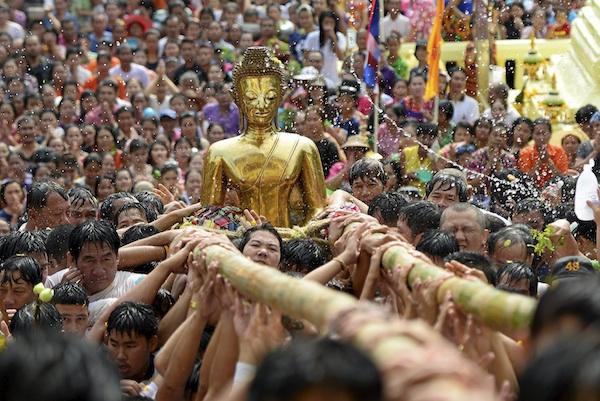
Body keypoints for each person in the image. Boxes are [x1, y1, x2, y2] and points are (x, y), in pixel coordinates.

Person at [201, 47, 326, 227]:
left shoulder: (302, 146)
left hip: (291, 240)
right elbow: (209, 216)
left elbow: (318, 210)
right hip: (243, 240)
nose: (261, 105)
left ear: (281, 96)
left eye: (270, 97)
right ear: (236, 98)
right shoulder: (219, 151)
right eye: (251, 98)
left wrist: (301, 234)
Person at [46, 220, 146, 323]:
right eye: (90, 261)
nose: (99, 271)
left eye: (106, 259)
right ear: (72, 260)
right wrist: (60, 297)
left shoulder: (138, 285)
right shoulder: (53, 284)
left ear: (117, 257)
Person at [106, 302, 159, 384]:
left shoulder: (166, 374)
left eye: (129, 346)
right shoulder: (94, 373)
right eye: (114, 345)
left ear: (152, 344)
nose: (120, 356)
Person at [518, 118, 569, 188]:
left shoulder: (559, 152)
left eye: (544, 133)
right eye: (537, 134)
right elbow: (526, 179)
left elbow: (563, 178)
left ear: (550, 134)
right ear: (532, 135)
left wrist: (549, 161)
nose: (541, 137)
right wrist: (539, 162)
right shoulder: (525, 152)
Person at [301, 11, 346, 87]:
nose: (329, 25)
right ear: (321, 23)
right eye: (326, 22)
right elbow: (305, 58)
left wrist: (334, 39)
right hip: (312, 78)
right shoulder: (312, 36)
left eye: (331, 23)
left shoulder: (340, 37)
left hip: (332, 79)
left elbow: (341, 57)